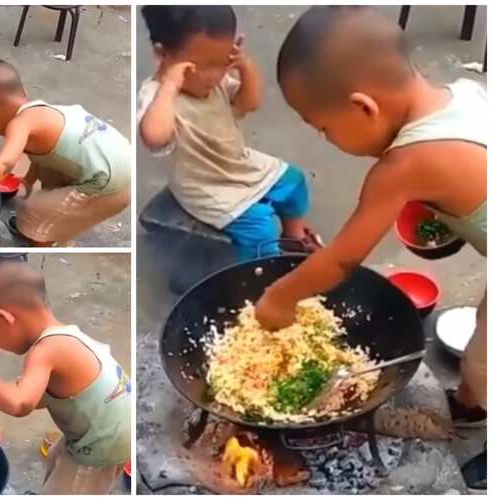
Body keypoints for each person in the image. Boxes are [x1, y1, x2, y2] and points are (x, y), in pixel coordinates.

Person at [258, 6, 486, 491]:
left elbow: (342, 257)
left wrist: (279, 298)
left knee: (482, 361)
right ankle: (471, 406)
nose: (326, 139)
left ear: (364, 106)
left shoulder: (401, 166)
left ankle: (480, 418)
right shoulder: (464, 93)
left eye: (324, 128)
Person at [137, 6, 322, 260]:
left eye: (222, 63)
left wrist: (244, 67)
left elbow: (251, 102)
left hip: (236, 164)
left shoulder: (217, 83)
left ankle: (293, 235)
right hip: (203, 185)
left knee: (293, 180)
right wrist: (170, 86)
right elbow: (154, 138)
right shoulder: (157, 96)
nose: (214, 75)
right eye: (200, 66)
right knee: (261, 226)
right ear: (162, 53)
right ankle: (262, 275)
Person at [0, 260, 131, 494]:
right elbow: (46, 396)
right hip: (104, 430)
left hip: (100, 447)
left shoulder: (46, 350)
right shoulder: (64, 336)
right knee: (56, 456)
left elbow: (22, 403)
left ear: (5, 318)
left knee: (75, 486)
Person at [0, 60, 131, 247]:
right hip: (120, 158)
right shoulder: (44, 112)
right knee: (46, 178)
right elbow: (44, 153)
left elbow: (3, 164)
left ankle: (44, 241)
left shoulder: (19, 124)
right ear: (24, 93)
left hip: (108, 185)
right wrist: (29, 179)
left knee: (34, 211)